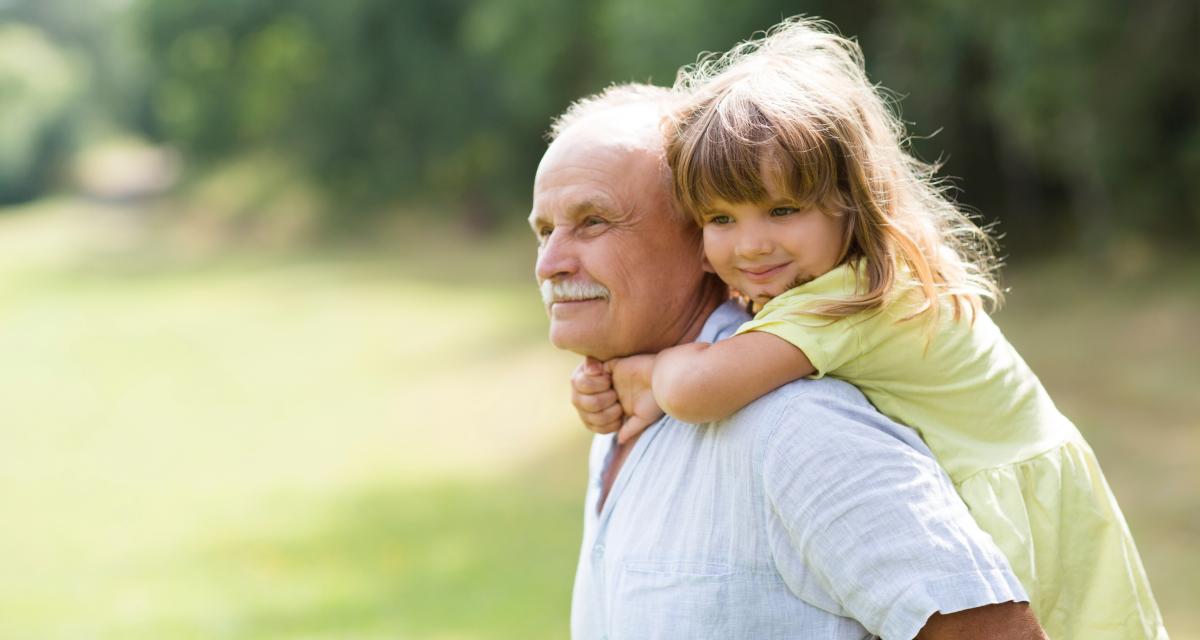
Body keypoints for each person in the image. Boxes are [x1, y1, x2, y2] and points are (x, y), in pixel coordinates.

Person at [572, 18, 1166, 640]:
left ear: (850, 200)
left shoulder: (849, 301)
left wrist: (647, 372)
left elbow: (700, 390)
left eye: (782, 210)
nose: (751, 245)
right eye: (720, 218)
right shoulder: (833, 276)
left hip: (1020, 510)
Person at [532, 83, 1046, 638]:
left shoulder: (797, 426)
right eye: (543, 231)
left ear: (697, 238)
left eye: (594, 222)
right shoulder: (621, 414)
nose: (550, 263)